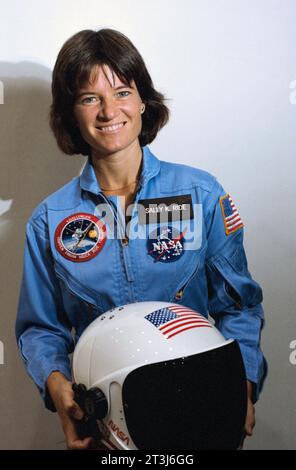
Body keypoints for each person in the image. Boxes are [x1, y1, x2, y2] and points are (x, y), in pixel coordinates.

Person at [15, 28, 267, 450]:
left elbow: (239, 306)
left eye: (122, 91)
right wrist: (58, 389)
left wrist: (241, 385)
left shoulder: (201, 194)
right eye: (89, 98)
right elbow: (41, 329)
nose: (108, 111)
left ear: (143, 100)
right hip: (108, 430)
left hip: (202, 411)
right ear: (70, 113)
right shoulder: (49, 220)